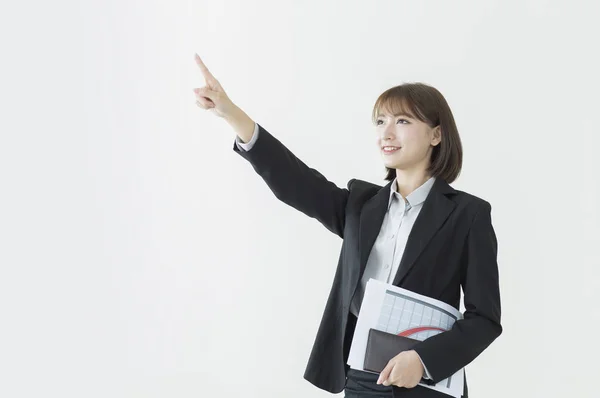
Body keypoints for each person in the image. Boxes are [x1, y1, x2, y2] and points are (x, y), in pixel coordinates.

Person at [193, 53, 502, 398]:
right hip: (360, 379)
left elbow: (484, 319)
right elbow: (297, 181)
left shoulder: (468, 215)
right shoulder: (361, 205)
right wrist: (231, 114)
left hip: (424, 383)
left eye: (402, 121)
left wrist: (423, 361)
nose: (386, 132)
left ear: (435, 135)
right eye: (380, 121)